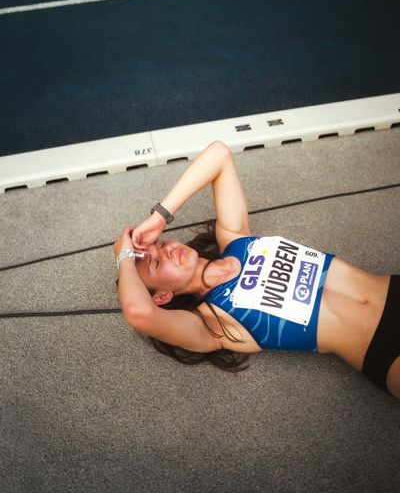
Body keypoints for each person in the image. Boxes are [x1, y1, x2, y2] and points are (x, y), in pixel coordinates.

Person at [114, 140, 400, 399]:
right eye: (155, 262)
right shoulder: (213, 323)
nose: (165, 250)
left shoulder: (236, 240)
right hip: (385, 351)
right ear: (162, 296)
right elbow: (139, 313)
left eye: (160, 244)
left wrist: (159, 218)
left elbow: (219, 154)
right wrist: (124, 253)